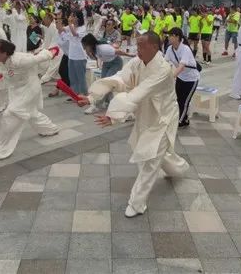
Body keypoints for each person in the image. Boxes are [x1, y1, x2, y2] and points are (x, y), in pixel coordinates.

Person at [78, 31, 190, 218]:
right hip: (144, 115)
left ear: (154, 47)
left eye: (141, 46)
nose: (137, 50)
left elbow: (139, 92)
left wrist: (114, 116)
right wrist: (92, 97)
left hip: (163, 118)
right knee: (148, 151)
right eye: (137, 46)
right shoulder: (138, 62)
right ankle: (180, 168)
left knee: (150, 160)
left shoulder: (163, 69)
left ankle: (137, 203)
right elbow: (120, 78)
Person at [0, 40, 62, 161]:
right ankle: (50, 129)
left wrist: (52, 52)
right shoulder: (3, 62)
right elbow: (10, 72)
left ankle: (0, 150)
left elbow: (39, 58)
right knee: (31, 114)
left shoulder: (19, 60)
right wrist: (0, 76)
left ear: (4, 53)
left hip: (30, 89)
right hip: (17, 90)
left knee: (10, 114)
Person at [81, 33, 126, 114]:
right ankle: (105, 103)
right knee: (103, 83)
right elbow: (95, 58)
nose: (84, 48)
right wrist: (88, 53)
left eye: (85, 46)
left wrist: (131, 55)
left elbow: (118, 52)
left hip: (116, 63)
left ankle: (98, 105)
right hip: (106, 63)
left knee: (106, 84)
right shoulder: (93, 49)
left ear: (90, 44)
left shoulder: (103, 48)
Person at [164, 27, 199, 128]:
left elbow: (181, 67)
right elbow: (164, 63)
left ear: (177, 37)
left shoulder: (185, 49)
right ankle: (184, 119)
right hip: (181, 77)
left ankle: (180, 121)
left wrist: (171, 77)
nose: (169, 37)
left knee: (185, 101)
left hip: (191, 79)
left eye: (171, 36)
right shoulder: (170, 49)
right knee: (179, 99)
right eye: (169, 35)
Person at [66, 11, 89, 95]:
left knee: (81, 77)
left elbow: (75, 34)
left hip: (80, 56)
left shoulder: (83, 28)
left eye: (73, 16)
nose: (71, 18)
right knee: (72, 77)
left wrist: (69, 23)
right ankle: (74, 94)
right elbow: (61, 29)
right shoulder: (71, 26)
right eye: (71, 16)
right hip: (71, 55)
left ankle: (84, 94)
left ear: (78, 18)